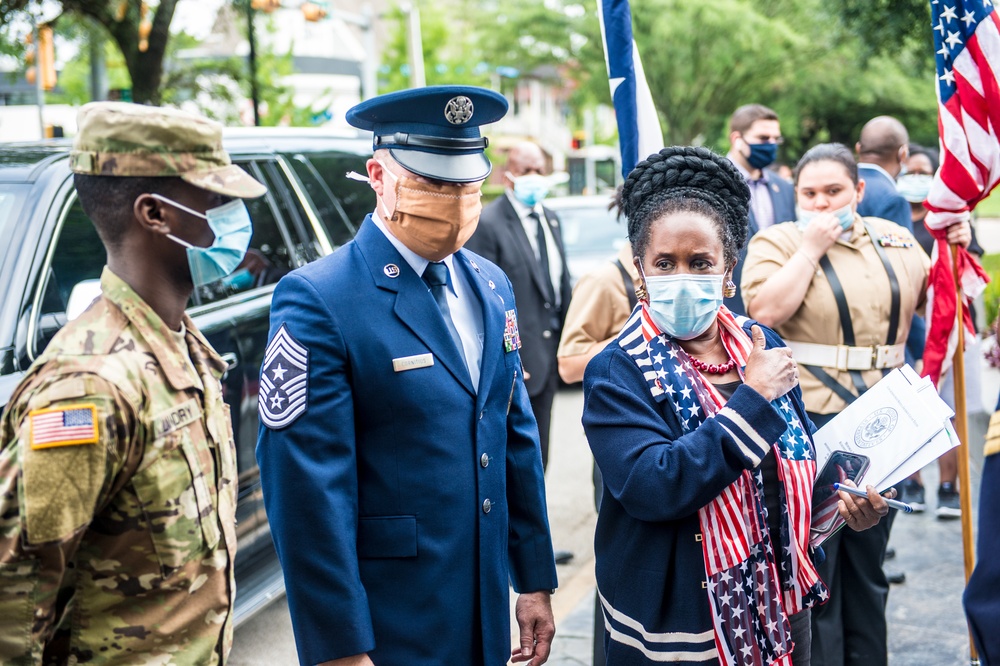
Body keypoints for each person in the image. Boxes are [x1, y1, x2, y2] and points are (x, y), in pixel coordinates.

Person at [256, 86, 558, 666]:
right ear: (378, 175)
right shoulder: (321, 297)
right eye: (433, 182)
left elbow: (512, 433)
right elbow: (308, 491)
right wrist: (340, 648)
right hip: (391, 621)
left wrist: (534, 578)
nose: (453, 200)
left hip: (485, 606)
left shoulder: (490, 283)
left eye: (467, 185)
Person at [582, 146, 890, 665]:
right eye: (665, 263)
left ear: (728, 271)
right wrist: (751, 400)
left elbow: (792, 470)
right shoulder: (617, 369)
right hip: (680, 624)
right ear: (640, 270)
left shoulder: (760, 345)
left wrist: (846, 503)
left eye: (700, 262)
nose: (682, 275)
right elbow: (654, 486)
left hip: (779, 607)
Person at [0, 101, 267, 663]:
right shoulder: (89, 387)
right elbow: (14, 603)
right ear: (154, 213)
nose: (233, 216)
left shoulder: (181, 346)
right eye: (215, 199)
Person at [741, 143, 970, 666]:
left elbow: (932, 304)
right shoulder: (778, 240)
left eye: (834, 192)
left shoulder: (895, 241)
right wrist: (811, 248)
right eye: (809, 193)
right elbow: (764, 310)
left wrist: (955, 246)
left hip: (885, 421)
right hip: (810, 420)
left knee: (868, 567)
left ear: (859, 191)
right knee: (815, 568)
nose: (821, 204)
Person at [555, 189, 635, 666]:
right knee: (621, 572)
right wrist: (634, 340)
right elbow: (568, 364)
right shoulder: (606, 281)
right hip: (623, 449)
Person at [465, 140, 573, 473]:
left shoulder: (550, 217)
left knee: (540, 457)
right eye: (527, 170)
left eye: (540, 170)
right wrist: (504, 356)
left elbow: (558, 284)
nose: (535, 177)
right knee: (512, 461)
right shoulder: (490, 222)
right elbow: (482, 295)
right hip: (516, 360)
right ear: (509, 174)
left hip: (549, 354)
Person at [895, 143, 985, 517]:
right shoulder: (893, 219)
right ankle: (913, 483)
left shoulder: (950, 220)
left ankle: (949, 487)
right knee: (910, 410)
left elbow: (974, 271)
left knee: (949, 409)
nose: (914, 178)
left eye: (922, 171)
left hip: (948, 331)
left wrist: (961, 246)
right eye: (908, 171)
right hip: (907, 331)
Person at [725, 104, 797, 315]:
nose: (771, 144)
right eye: (764, 138)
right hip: (729, 306)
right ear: (736, 139)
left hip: (776, 310)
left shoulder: (783, 187)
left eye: (776, 139)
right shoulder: (712, 183)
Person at [854, 116, 913, 233]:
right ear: (903, 153)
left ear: (858, 148)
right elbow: (901, 251)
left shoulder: (837, 186)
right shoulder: (893, 200)